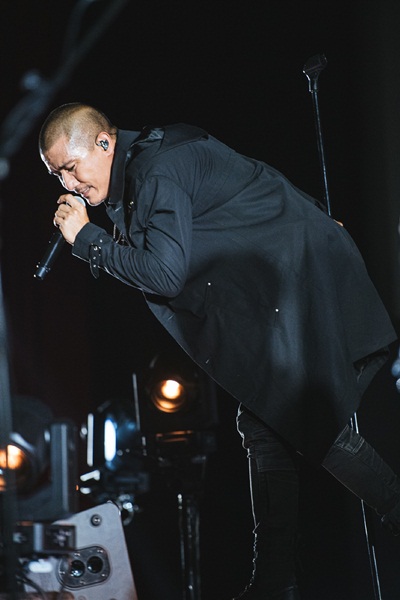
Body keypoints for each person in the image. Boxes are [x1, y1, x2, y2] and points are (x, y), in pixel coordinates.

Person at [39, 103, 400, 600]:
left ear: (104, 142)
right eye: (56, 175)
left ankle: (281, 578)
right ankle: (273, 583)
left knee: (306, 418)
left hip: (305, 280)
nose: (67, 183)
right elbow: (253, 179)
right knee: (265, 424)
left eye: (70, 167)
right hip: (281, 286)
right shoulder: (141, 171)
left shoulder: (156, 168)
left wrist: (88, 240)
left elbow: (164, 273)